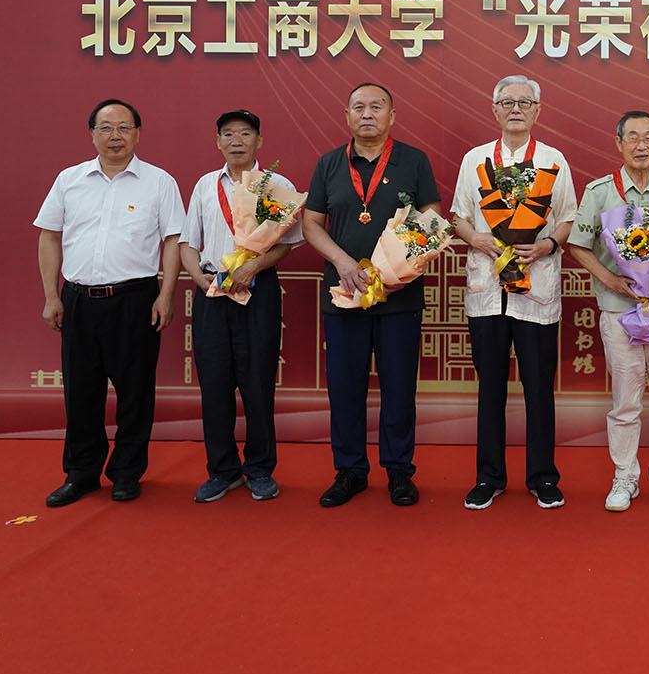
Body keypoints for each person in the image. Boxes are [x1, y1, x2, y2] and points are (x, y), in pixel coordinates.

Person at [35, 99, 185, 507]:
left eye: (123, 127)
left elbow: (174, 239)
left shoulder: (159, 182)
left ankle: (126, 473)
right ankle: (81, 474)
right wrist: (52, 295)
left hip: (135, 299)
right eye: (105, 128)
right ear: (92, 134)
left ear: (138, 133)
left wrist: (166, 294)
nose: (114, 136)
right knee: (81, 391)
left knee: (135, 391)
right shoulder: (69, 180)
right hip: (79, 299)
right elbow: (49, 236)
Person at [302, 83, 441, 508]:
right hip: (344, 294)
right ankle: (349, 471)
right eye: (359, 107)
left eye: (377, 106)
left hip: (399, 297)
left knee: (399, 388)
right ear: (346, 116)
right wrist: (343, 263)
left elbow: (433, 219)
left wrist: (397, 270)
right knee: (345, 389)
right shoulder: (329, 164)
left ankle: (399, 471)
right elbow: (311, 224)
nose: (367, 114)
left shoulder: (414, 161)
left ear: (392, 115)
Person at [451, 75, 576, 510]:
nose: (516, 109)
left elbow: (567, 217)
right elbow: (459, 216)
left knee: (539, 387)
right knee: (490, 387)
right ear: (495, 110)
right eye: (507, 102)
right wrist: (476, 238)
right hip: (487, 289)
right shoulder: (475, 159)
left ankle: (543, 476)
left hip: (535, 287)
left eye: (525, 102)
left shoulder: (553, 160)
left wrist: (547, 245)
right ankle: (489, 476)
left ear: (538, 110)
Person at [566, 111, 649, 512]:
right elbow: (578, 244)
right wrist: (611, 280)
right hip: (619, 310)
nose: (641, 145)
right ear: (618, 143)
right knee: (626, 400)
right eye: (633, 137)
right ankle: (625, 475)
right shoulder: (600, 192)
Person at [178, 109, 303, 503]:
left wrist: (253, 266)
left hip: (258, 289)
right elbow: (188, 243)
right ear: (218, 142)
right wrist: (197, 277)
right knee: (214, 384)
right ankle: (222, 471)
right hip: (212, 290)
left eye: (245, 133)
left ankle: (260, 469)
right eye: (228, 134)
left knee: (258, 382)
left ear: (259, 141)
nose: (237, 141)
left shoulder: (277, 185)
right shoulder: (204, 185)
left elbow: (287, 243)